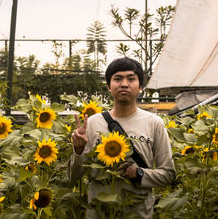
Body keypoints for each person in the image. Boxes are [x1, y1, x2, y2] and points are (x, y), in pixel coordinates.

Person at [68, 57, 176, 218]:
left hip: (137, 213)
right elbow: (72, 178)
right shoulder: (91, 124)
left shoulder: (154, 123)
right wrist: (78, 149)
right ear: (109, 87)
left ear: (140, 87)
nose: (124, 84)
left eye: (131, 79)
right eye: (117, 78)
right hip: (98, 213)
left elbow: (168, 174)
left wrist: (139, 174)